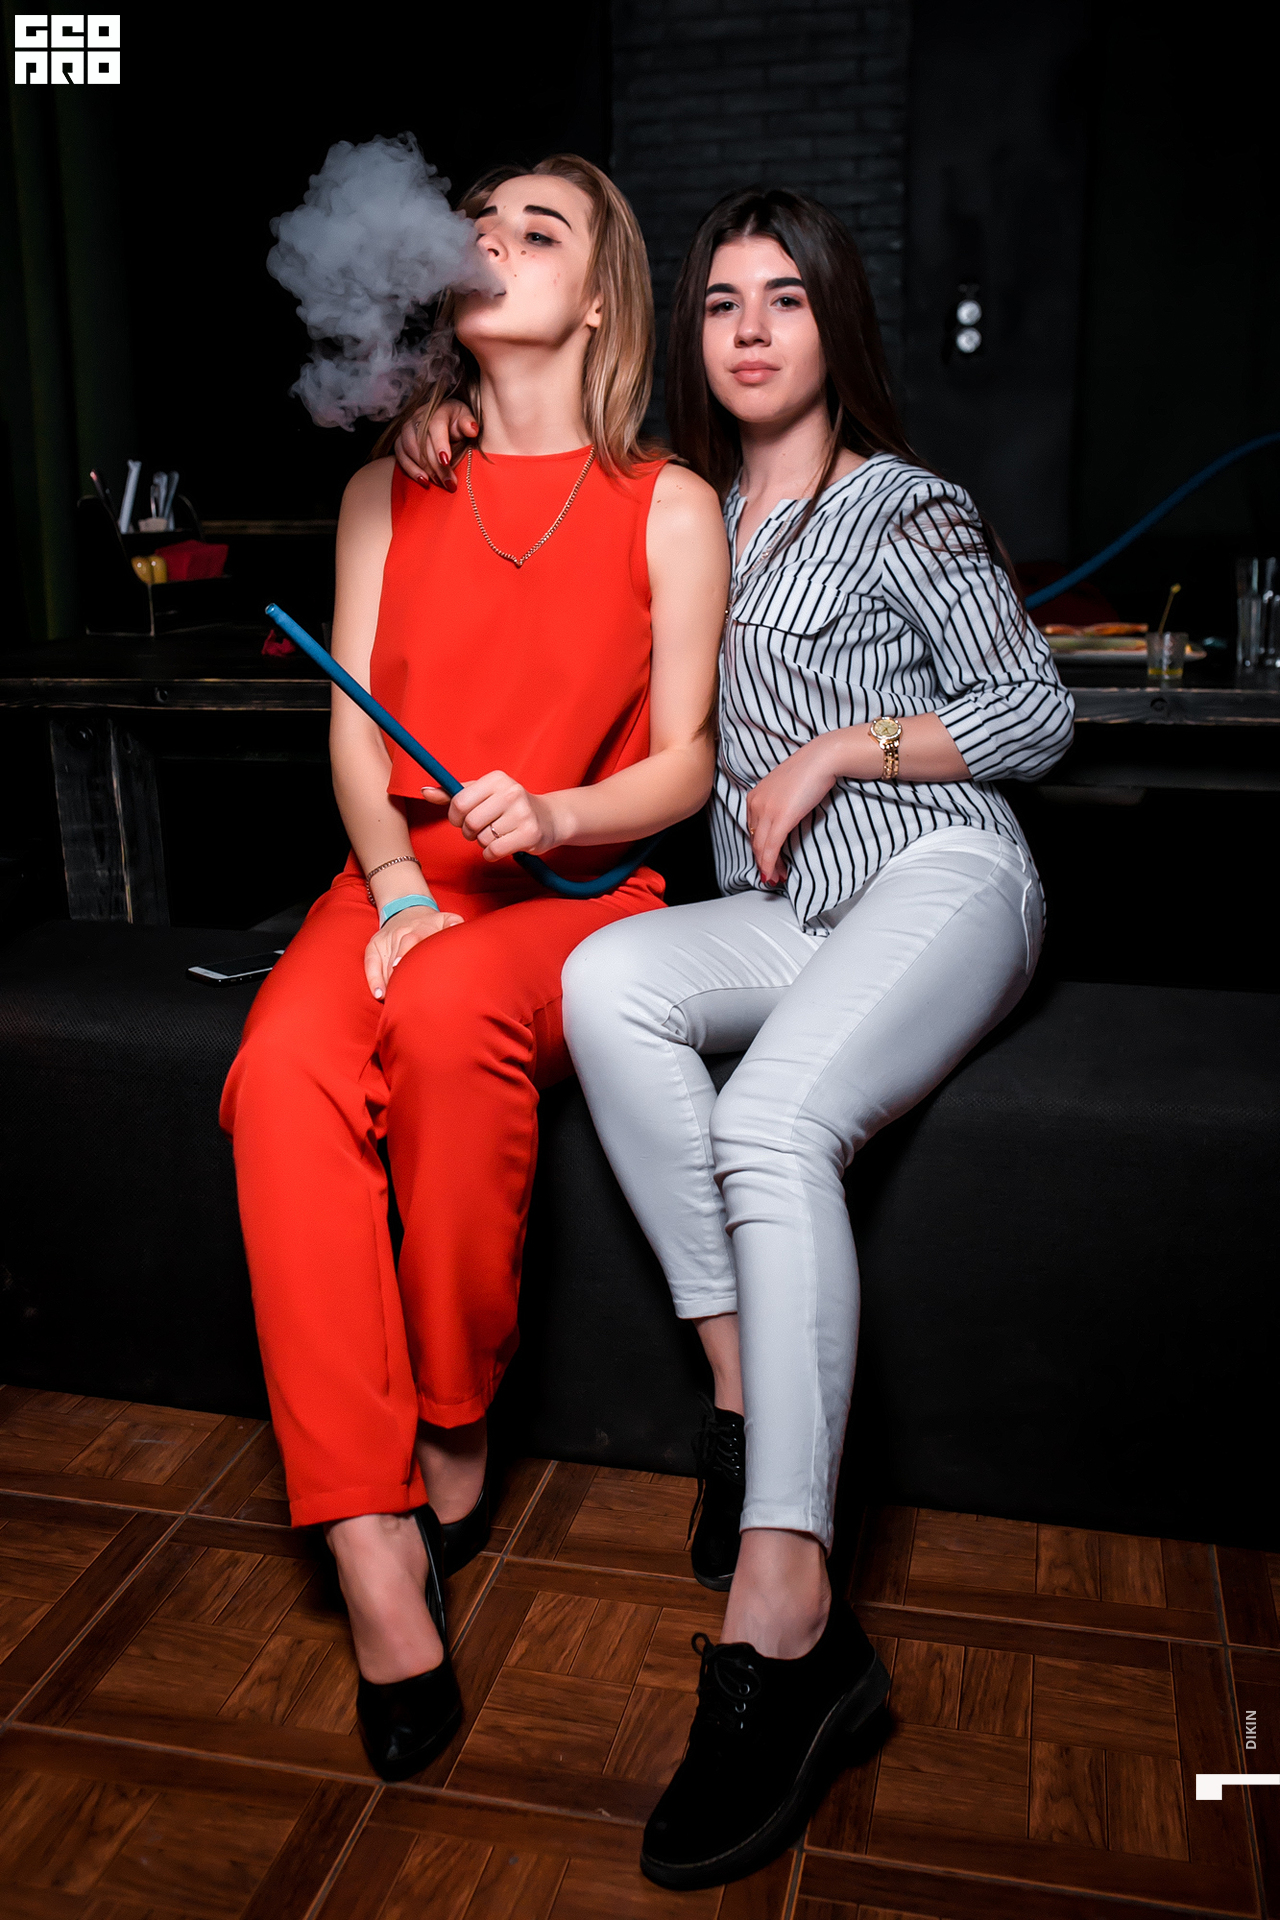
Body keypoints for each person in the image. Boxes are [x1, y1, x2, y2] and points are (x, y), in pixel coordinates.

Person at [394, 186, 1072, 1884]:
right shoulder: (685, 504)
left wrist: (843, 749)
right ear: (684, 334)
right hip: (802, 911)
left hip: (942, 872)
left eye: (787, 297)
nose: (753, 328)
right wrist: (445, 413)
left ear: (837, 324)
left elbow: (1037, 710)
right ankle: (741, 1386)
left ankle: (789, 1614)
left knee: (771, 1118)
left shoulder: (902, 503)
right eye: (720, 302)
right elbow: (548, 486)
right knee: (606, 983)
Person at [221, 154, 727, 1784]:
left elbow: (688, 764)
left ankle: (455, 1416)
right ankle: (373, 1542)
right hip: (398, 879)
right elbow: (351, 733)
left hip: (579, 887)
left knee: (445, 1014)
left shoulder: (671, 504)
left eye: (538, 229)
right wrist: (390, 889)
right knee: (277, 1077)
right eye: (479, 223)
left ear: (602, 303)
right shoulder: (391, 485)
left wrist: (560, 810)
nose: (490, 240)